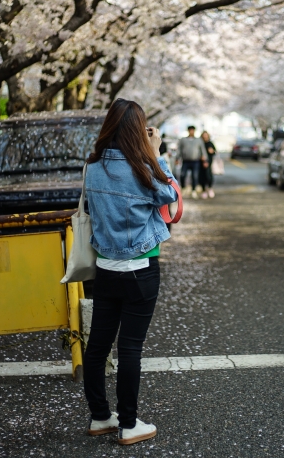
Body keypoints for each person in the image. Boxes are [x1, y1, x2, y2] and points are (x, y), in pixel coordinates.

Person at [83, 98, 178, 446]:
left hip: (105, 270)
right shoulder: (142, 168)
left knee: (98, 347)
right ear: (138, 131)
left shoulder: (92, 167)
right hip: (140, 269)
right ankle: (128, 424)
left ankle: (99, 417)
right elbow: (169, 195)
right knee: (130, 348)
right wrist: (155, 152)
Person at [177, 125, 208, 198]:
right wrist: (177, 158)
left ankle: (193, 190)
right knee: (182, 175)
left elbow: (202, 150)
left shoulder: (198, 140)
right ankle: (183, 188)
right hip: (185, 160)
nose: (191, 132)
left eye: (192, 130)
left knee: (195, 176)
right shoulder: (183, 140)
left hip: (195, 161)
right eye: (190, 130)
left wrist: (205, 159)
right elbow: (179, 150)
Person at [199, 131, 216, 198]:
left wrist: (212, 151)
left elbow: (214, 152)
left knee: (208, 175)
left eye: (206, 135)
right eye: (204, 135)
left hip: (209, 162)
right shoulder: (200, 143)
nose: (205, 137)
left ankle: (210, 188)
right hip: (200, 162)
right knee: (202, 176)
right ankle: (204, 190)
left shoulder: (210, 143)